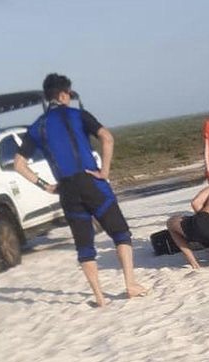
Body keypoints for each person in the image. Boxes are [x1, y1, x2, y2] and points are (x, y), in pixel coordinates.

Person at [14, 73, 147, 307]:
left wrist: (46, 186)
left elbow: (18, 164)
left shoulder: (37, 126)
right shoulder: (78, 115)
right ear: (64, 94)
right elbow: (107, 138)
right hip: (91, 182)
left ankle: (99, 297)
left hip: (66, 189)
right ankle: (130, 284)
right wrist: (104, 171)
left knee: (85, 246)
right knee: (120, 233)